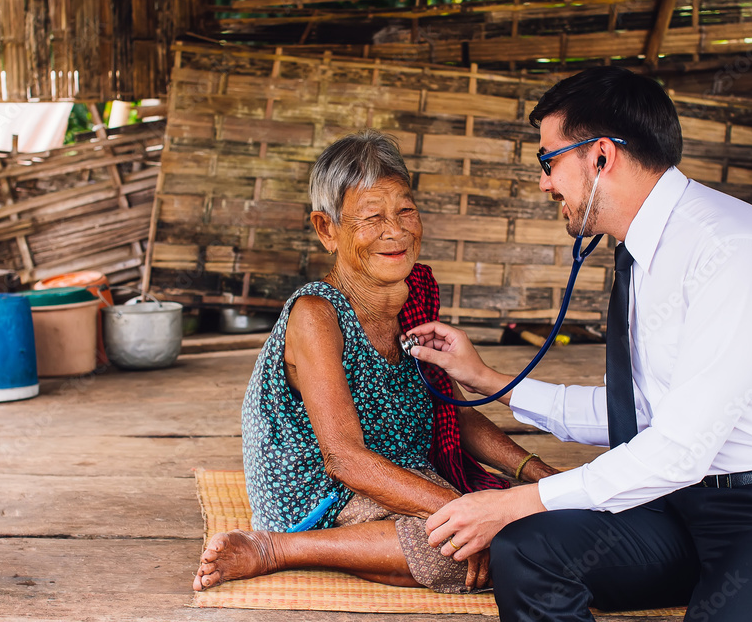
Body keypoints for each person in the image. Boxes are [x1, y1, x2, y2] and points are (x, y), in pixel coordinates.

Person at [406, 66, 752, 621]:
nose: (545, 183)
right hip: (680, 504)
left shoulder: (731, 247)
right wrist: (492, 382)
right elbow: (640, 411)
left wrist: (515, 500)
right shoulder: (641, 255)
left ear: (600, 156)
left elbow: (678, 449)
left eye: (549, 162)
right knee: (527, 550)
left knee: (519, 520)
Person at [193, 130, 558, 595]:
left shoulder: (414, 294)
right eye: (371, 218)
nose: (396, 232)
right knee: (464, 547)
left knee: (529, 530)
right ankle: (278, 548)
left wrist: (535, 473)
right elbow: (343, 459)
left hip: (396, 473)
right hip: (325, 493)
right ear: (327, 230)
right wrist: (461, 509)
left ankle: (406, 535)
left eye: (405, 211)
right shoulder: (315, 315)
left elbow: (452, 412)